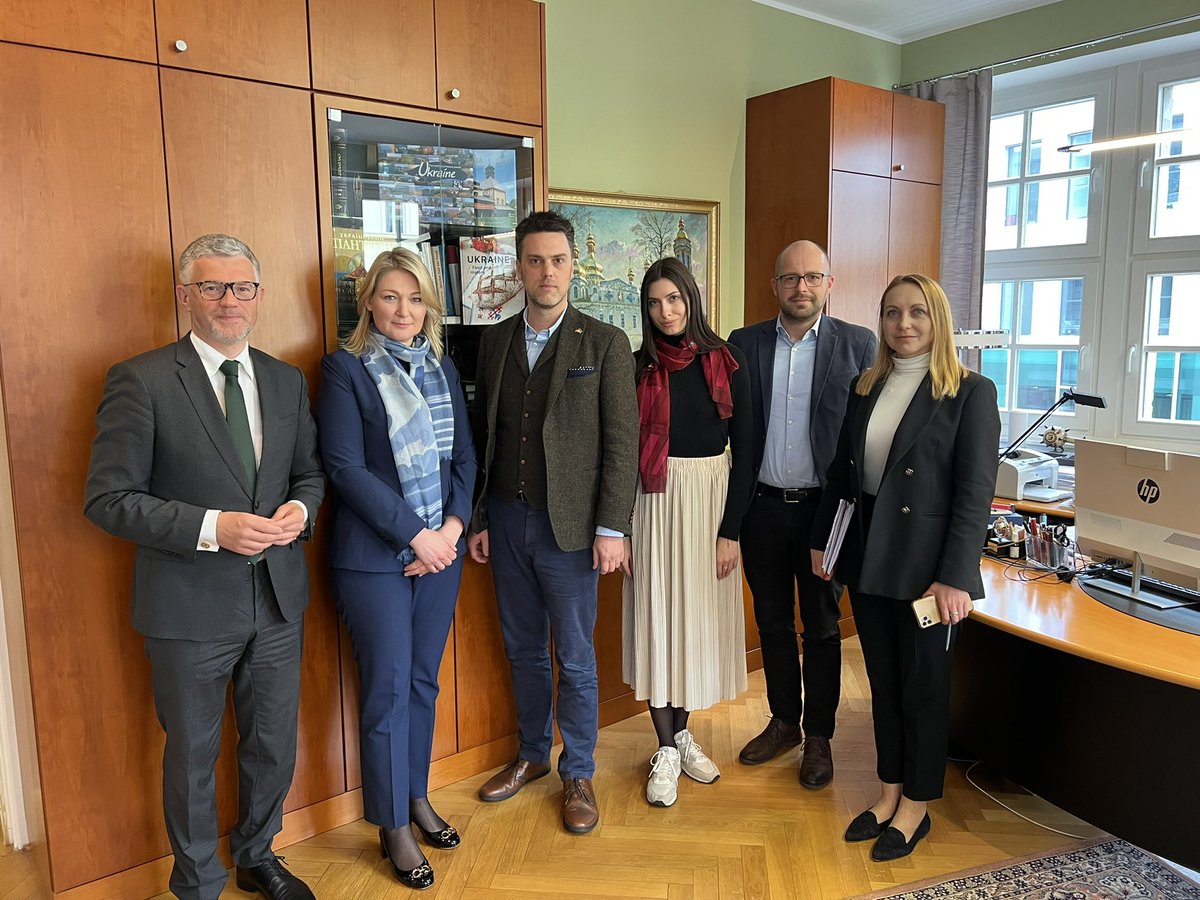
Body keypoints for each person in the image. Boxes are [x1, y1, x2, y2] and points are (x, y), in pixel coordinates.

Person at [84, 234, 324, 900]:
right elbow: (108, 499)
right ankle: (197, 884)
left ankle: (257, 855)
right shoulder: (141, 380)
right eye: (211, 287)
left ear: (259, 296)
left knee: (272, 744)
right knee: (192, 756)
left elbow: (308, 473)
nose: (228, 300)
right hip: (187, 607)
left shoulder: (284, 379)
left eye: (241, 287)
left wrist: (302, 510)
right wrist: (213, 527)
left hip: (276, 599)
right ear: (184, 295)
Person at [810, 274, 1000, 861]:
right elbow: (843, 476)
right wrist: (824, 542)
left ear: (938, 319)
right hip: (870, 557)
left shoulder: (970, 392)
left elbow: (975, 495)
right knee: (885, 685)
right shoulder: (866, 385)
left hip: (928, 571)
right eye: (892, 312)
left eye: (917, 312)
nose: (904, 324)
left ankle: (917, 806)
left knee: (924, 689)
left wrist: (955, 577)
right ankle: (889, 792)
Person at [468, 210, 639, 835]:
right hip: (507, 520)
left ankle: (580, 772)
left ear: (572, 268)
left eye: (558, 260)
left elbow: (621, 442)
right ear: (519, 268)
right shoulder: (494, 341)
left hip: (571, 531)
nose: (548, 272)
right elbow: (486, 438)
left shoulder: (604, 343)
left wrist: (612, 528)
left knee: (575, 655)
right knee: (522, 648)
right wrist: (481, 517)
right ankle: (533, 754)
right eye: (536, 260)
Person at [316, 248, 476, 890]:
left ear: (429, 307)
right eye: (390, 296)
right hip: (374, 559)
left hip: (442, 553)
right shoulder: (344, 370)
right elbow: (345, 468)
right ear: (368, 303)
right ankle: (392, 826)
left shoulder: (441, 367)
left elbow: (464, 459)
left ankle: (415, 796)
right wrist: (417, 536)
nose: (403, 310)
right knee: (385, 689)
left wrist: (452, 531)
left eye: (415, 298)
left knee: (422, 683)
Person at [727, 240, 876, 788]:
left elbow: (867, 435)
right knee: (771, 622)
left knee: (821, 626)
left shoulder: (858, 344)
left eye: (813, 277)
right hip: (762, 509)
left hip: (824, 514)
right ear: (775, 286)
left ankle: (819, 736)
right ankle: (784, 722)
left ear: (829, 284)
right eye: (791, 278)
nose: (801, 287)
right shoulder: (744, 344)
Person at [623, 257, 754, 808]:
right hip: (652, 503)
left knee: (694, 622)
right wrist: (621, 529)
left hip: (709, 504)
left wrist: (731, 532)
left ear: (691, 299)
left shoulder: (727, 361)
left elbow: (747, 454)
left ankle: (682, 734)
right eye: (654, 303)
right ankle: (665, 746)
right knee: (659, 618)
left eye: (673, 299)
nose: (665, 311)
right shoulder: (636, 368)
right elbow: (620, 452)